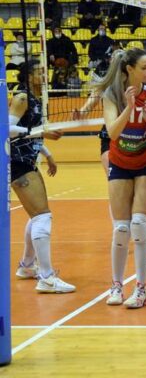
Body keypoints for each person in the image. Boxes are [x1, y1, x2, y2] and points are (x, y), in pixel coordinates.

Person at [93, 47, 146, 308]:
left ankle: (141, 288)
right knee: (121, 228)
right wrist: (130, 108)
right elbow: (113, 133)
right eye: (145, 67)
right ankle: (116, 285)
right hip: (120, 162)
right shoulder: (112, 95)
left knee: (138, 224)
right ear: (130, 69)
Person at [10, 61, 75, 293]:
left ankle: (27, 266)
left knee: (37, 215)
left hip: (27, 160)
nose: (45, 75)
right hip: (17, 162)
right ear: (29, 76)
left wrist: (47, 154)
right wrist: (42, 133)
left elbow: (32, 132)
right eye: (39, 72)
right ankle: (46, 278)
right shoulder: (22, 97)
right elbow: (7, 130)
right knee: (42, 216)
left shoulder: (36, 99)